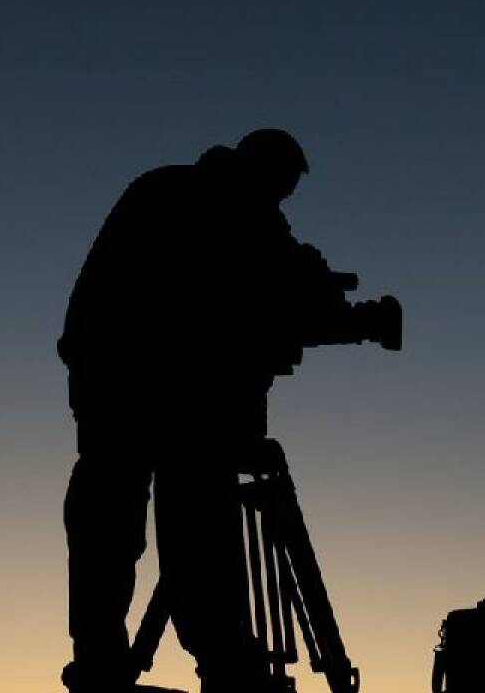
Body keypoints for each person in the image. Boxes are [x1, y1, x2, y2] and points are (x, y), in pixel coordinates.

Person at [58, 129, 380, 693]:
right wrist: (323, 300)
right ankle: (206, 657)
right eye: (279, 190)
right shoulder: (210, 203)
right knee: (175, 525)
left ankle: (136, 656)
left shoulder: (195, 194)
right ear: (261, 171)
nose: (279, 203)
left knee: (147, 523)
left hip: (139, 391)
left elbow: (270, 280)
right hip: (157, 393)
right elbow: (258, 286)